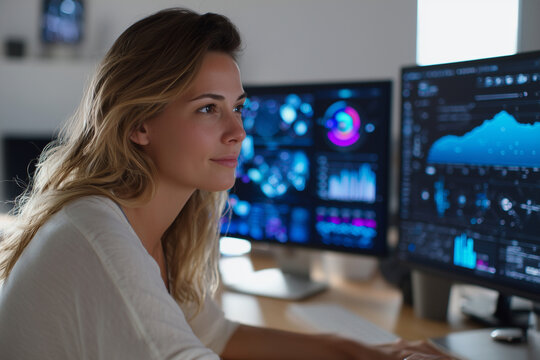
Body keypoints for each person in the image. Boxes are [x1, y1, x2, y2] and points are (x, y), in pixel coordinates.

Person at [0, 7, 454, 360]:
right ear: (140, 124)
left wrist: (365, 351)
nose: (238, 131)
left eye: (237, 107)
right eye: (207, 108)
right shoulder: (97, 236)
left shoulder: (149, 229)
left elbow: (215, 334)